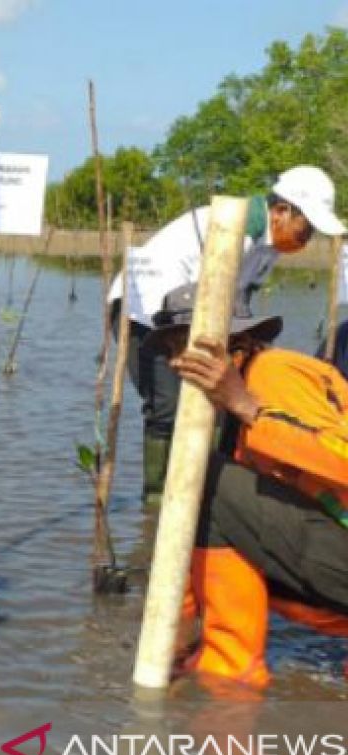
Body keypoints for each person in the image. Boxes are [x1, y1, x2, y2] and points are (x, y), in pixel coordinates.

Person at [143, 285, 348, 689]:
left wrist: (246, 405)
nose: (174, 364)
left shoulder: (273, 374)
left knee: (210, 482)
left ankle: (230, 675)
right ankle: (217, 661)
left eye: (182, 349)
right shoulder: (231, 409)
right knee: (207, 488)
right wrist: (179, 627)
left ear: (232, 343)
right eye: (169, 352)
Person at [110, 166, 344, 506]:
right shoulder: (239, 230)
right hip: (146, 311)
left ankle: (205, 489)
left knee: (218, 400)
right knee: (167, 407)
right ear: (281, 211)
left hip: (197, 313)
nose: (307, 240)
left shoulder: (269, 247)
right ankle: (157, 500)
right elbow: (188, 290)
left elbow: (240, 297)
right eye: (306, 228)